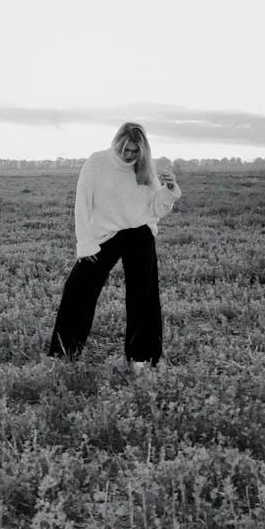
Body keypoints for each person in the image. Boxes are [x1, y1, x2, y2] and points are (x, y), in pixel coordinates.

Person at [48, 121, 181, 369]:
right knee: (77, 288)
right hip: (105, 235)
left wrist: (168, 190)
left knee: (144, 295)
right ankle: (64, 355)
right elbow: (83, 204)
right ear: (116, 143)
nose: (129, 155)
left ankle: (142, 359)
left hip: (139, 233)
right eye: (126, 150)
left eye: (135, 151)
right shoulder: (97, 162)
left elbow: (155, 209)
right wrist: (86, 244)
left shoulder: (145, 168)